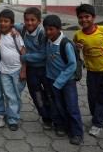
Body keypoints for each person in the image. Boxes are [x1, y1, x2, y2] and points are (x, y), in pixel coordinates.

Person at [43, 14, 83, 145]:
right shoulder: (47, 40)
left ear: (59, 29)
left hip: (67, 81)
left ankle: (77, 132)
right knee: (55, 105)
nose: (48, 32)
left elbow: (72, 65)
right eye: (46, 29)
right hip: (51, 80)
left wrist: (59, 82)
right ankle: (60, 125)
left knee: (71, 106)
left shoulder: (65, 44)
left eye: (51, 29)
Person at [73, 4, 103, 137]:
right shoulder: (78, 35)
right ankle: (98, 117)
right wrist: (77, 49)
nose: (84, 20)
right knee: (92, 97)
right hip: (91, 71)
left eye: (87, 17)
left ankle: (98, 123)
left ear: (94, 17)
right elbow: (74, 51)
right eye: (80, 17)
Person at [14, 7, 52, 130]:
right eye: (27, 20)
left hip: (45, 70)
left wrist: (25, 57)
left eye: (33, 20)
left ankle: (56, 116)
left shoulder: (42, 34)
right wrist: (11, 29)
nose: (29, 23)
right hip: (31, 71)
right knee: (37, 95)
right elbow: (5, 23)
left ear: (39, 21)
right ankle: (46, 117)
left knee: (50, 94)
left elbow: (43, 54)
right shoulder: (23, 29)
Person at [0, 9, 27, 131]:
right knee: (9, 96)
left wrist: (24, 70)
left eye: (6, 21)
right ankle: (12, 119)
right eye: (0, 21)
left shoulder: (16, 36)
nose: (3, 23)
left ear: (12, 23)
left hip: (18, 70)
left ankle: (13, 113)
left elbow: (24, 53)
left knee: (17, 95)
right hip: (4, 71)